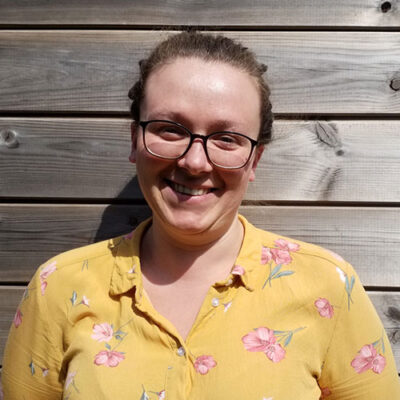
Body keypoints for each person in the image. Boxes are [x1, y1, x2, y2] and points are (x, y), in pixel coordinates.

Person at [1, 31, 399, 400]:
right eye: (170, 129)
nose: (194, 162)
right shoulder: (59, 288)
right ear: (135, 140)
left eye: (226, 138)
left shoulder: (327, 287)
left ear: (254, 160)